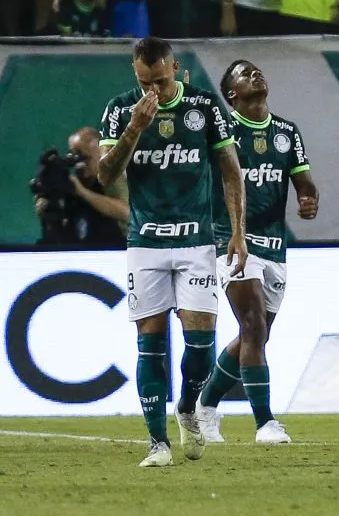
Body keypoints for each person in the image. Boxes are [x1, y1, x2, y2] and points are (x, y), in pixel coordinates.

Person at [97, 36, 247, 468]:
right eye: (146, 83)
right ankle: (157, 443)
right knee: (150, 341)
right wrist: (134, 128)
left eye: (161, 82)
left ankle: (186, 407)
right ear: (135, 72)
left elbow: (230, 171)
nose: (154, 92)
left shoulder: (204, 107)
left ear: (176, 69)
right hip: (144, 243)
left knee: (200, 344)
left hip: (196, 242)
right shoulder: (120, 109)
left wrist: (237, 232)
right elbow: (106, 174)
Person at [196, 60, 319, 444]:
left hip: (275, 246)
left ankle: (205, 404)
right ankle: (265, 422)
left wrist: (308, 198)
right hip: (232, 241)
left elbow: (304, 181)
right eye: (244, 73)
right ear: (231, 93)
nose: (256, 74)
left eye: (257, 71)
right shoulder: (222, 130)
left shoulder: (286, 131)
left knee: (256, 335)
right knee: (252, 325)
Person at [32, 127, 127, 245]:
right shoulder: (70, 185)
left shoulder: (111, 180)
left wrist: (82, 192)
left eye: (85, 157)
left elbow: (127, 213)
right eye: (74, 154)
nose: (79, 163)